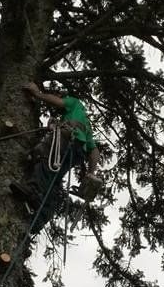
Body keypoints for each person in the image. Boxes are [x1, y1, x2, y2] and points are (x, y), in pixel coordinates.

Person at [11, 82, 100, 231]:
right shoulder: (86, 124)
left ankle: (33, 191)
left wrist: (37, 93)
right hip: (77, 151)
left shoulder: (74, 102)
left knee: (41, 156)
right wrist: (91, 173)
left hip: (66, 138)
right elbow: (94, 151)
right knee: (53, 180)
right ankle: (40, 218)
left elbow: (58, 102)